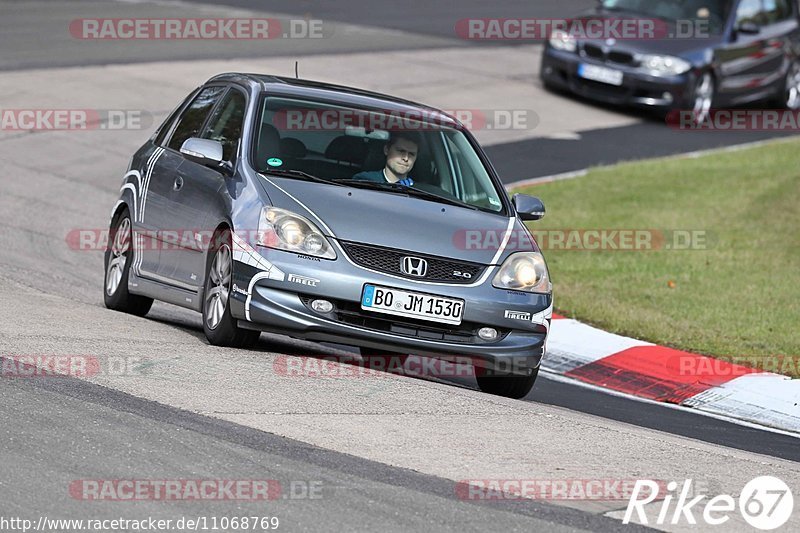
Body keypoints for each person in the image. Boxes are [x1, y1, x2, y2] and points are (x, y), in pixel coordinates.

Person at [351, 131, 419, 186]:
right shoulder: (364, 181)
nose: (406, 158)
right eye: (401, 151)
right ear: (386, 150)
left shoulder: (421, 192)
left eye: (411, 154)